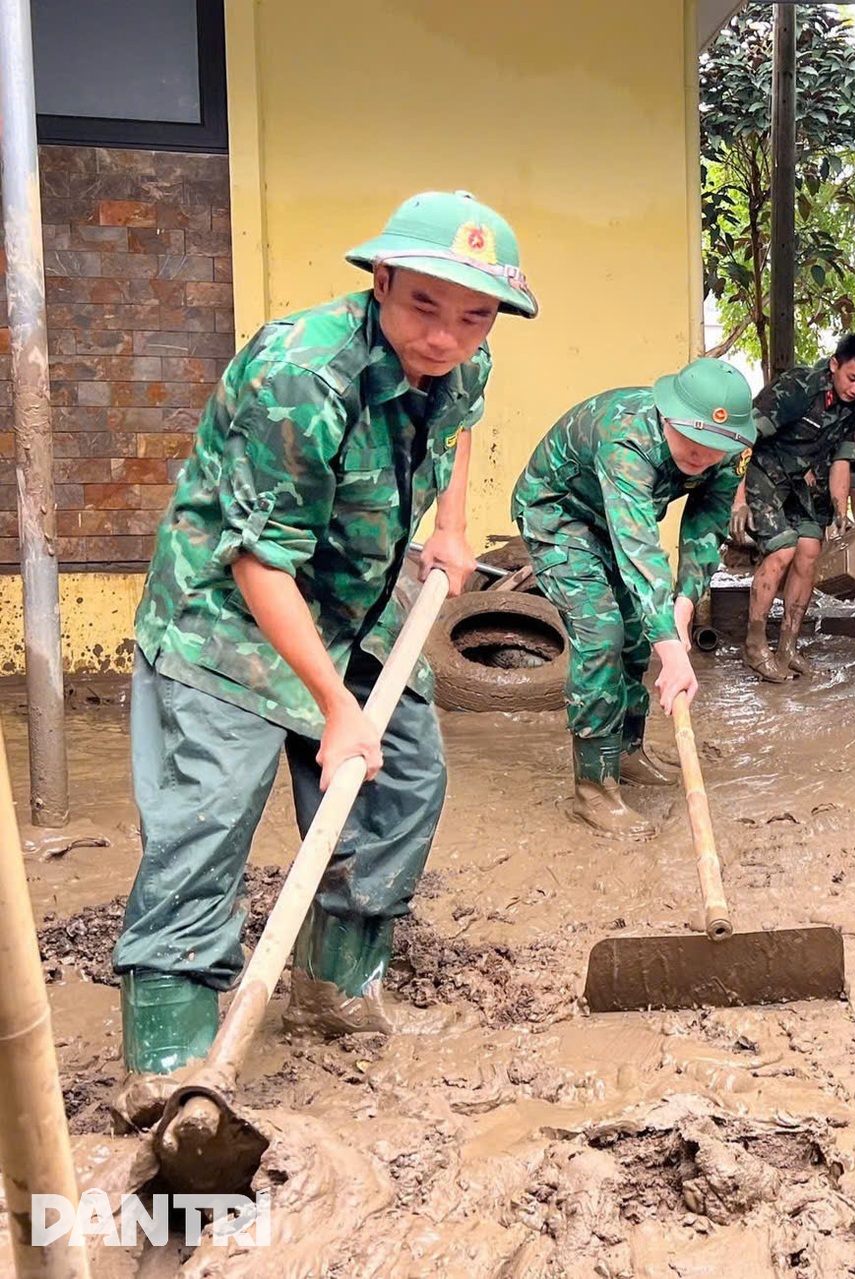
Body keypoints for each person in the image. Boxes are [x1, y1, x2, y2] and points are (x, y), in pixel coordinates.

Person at [111, 190, 536, 1126]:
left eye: (473, 316)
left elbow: (460, 422)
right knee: (210, 811)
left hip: (357, 593)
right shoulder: (301, 371)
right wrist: (335, 712)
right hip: (225, 613)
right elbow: (261, 561)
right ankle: (168, 1050)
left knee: (404, 779)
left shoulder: (466, 354)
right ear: (381, 279)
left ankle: (335, 984)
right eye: (425, 306)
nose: (446, 337)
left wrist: (453, 528)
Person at [512, 358, 754, 837]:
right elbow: (638, 548)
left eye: (715, 447)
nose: (703, 455)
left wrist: (683, 607)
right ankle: (594, 791)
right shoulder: (626, 438)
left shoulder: (731, 449)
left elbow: (706, 525)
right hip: (559, 515)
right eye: (692, 439)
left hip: (614, 523)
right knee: (602, 633)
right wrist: (673, 652)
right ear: (668, 415)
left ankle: (626, 751)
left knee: (642, 636)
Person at [729, 333, 855, 681]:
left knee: (810, 548)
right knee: (783, 548)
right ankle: (754, 646)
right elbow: (744, 438)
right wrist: (738, 501)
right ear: (834, 365)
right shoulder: (797, 388)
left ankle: (788, 647)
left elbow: (842, 459)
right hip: (760, 472)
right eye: (852, 378)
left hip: (799, 481)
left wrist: (839, 510)